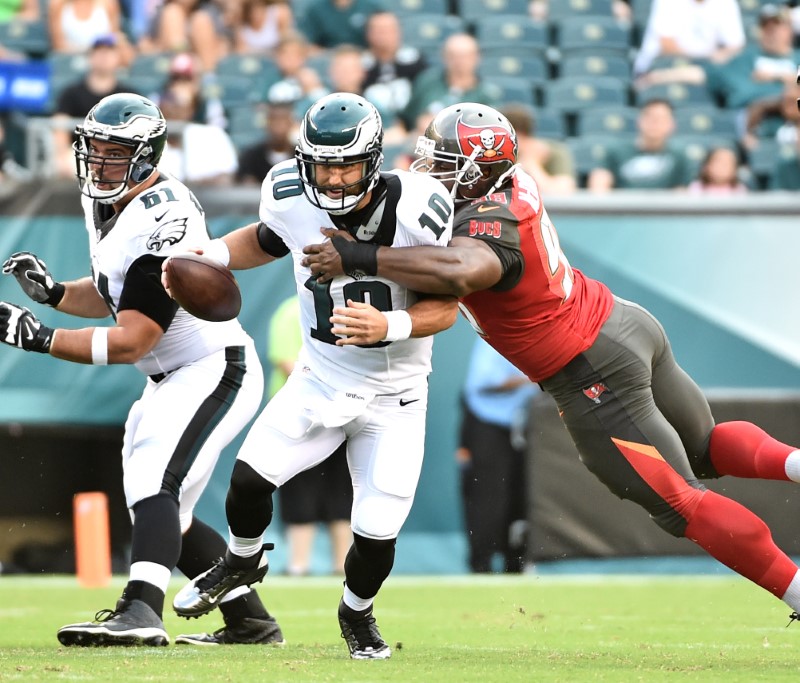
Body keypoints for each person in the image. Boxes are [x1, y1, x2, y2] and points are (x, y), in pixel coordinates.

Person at [301, 101, 800, 625]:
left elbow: (460, 270)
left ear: (480, 170)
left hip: (590, 371)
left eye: (444, 164)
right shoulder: (511, 186)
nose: (431, 173)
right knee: (703, 447)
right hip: (623, 324)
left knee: (680, 502)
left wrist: (359, 255)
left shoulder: (493, 217)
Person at [167, 92, 458, 659]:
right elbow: (268, 239)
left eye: (347, 162)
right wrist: (215, 255)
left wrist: (391, 324)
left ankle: (357, 614)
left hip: (396, 395)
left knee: (375, 533)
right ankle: (242, 560)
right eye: (323, 163)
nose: (335, 176)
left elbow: (446, 306)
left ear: (373, 159)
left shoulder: (419, 207)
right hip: (321, 377)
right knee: (248, 480)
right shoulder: (289, 193)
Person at [0, 93, 283, 647]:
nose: (100, 162)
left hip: (212, 365)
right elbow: (115, 296)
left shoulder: (164, 215)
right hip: (175, 372)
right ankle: (250, 621)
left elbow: (135, 338)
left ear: (147, 155)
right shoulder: (105, 202)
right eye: (95, 150)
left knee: (158, 480)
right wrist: (57, 294)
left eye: (115, 152)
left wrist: (41, 338)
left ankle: (141, 609)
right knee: (162, 510)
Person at [267, 295, 352, 576]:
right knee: (298, 489)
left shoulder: (348, 309)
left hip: (343, 413)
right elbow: (286, 362)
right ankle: (298, 565)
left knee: (342, 489)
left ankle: (343, 566)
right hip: (300, 415)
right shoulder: (291, 311)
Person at [457, 337, 538, 574]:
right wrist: (530, 380)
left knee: (520, 495)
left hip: (521, 427)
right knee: (487, 496)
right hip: (486, 425)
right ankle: (480, 564)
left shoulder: (538, 337)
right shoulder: (493, 339)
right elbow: (483, 383)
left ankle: (516, 562)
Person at [50, 34, 132, 178]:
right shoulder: (71, 93)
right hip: (82, 154)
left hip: (121, 156)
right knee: (68, 163)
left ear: (118, 58)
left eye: (109, 52)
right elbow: (60, 127)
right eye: (99, 52)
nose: (104, 57)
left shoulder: (128, 95)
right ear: (90, 57)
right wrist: (61, 154)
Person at [401, 33, 499, 132]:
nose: (459, 62)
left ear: (477, 57)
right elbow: (406, 119)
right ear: (444, 56)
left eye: (464, 56)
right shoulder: (427, 82)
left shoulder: (488, 93)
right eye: (453, 56)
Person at [587, 98, 690, 191]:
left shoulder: (679, 156)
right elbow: (598, 188)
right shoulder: (615, 151)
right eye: (650, 117)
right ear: (639, 121)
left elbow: (681, 193)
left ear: (672, 125)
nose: (655, 123)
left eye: (661, 119)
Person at [235, 98, 297, 185]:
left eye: (283, 120)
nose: (278, 126)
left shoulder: (301, 157)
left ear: (291, 124)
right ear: (266, 123)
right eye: (274, 120)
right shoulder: (251, 156)